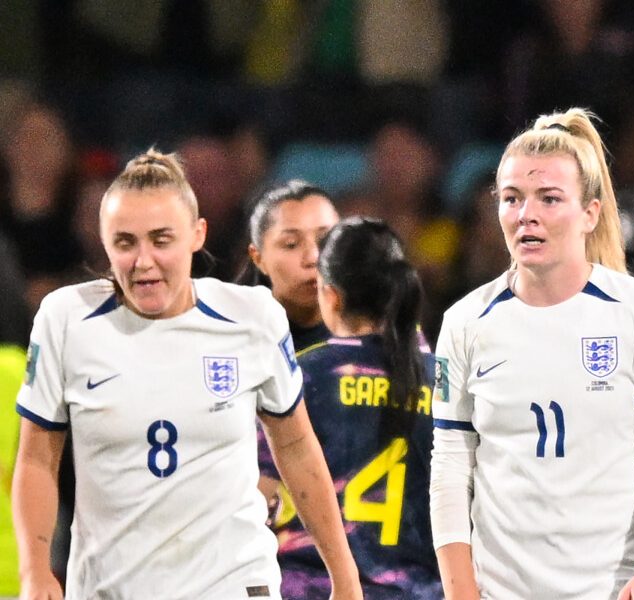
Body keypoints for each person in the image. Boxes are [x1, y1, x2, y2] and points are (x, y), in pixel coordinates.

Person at [12, 149, 362, 599]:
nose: (143, 261)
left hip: (233, 583)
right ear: (104, 242)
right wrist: (36, 571)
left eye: (161, 240)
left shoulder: (252, 317)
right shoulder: (66, 320)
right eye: (125, 242)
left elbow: (296, 447)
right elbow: (38, 458)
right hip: (108, 588)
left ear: (197, 235)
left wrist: (345, 577)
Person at [430, 108, 634, 599]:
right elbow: (449, 465)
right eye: (512, 199)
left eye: (549, 199)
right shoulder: (465, 322)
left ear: (590, 213)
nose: (526, 214)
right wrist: (460, 590)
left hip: (612, 589)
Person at [265, 216, 442, 599]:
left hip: (314, 590)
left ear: (331, 296)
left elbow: (257, 497)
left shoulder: (299, 378)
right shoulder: (447, 383)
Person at [237, 179, 341, 353]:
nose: (313, 258)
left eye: (326, 240)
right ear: (258, 258)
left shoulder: (380, 334)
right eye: (291, 244)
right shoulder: (233, 340)